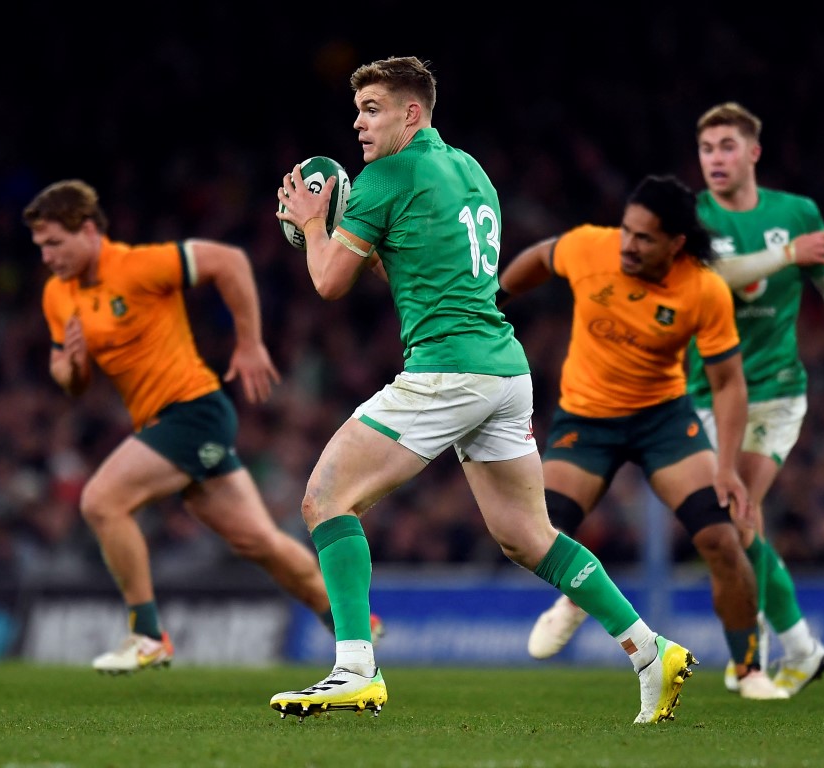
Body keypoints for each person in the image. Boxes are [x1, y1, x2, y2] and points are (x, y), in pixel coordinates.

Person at [269, 56, 696, 725]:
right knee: (529, 535)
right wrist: (361, 237)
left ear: (413, 112)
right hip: (505, 372)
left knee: (326, 498)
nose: (358, 122)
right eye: (357, 109)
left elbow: (327, 283)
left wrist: (313, 221)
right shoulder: (471, 171)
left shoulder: (388, 175)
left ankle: (355, 668)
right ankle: (651, 650)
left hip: (448, 370)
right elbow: (423, 271)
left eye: (373, 108)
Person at [22, 179, 381, 674]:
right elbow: (68, 375)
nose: (47, 255)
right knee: (260, 542)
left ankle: (147, 635)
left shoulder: (136, 265)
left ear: (87, 231)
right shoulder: (57, 297)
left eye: (55, 243)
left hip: (193, 411)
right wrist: (73, 367)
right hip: (168, 424)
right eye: (40, 246)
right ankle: (355, 620)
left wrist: (249, 344)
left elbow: (227, 262)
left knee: (101, 501)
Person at [501, 173, 788, 700]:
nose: (628, 245)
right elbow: (542, 257)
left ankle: (749, 670)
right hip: (586, 421)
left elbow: (728, 383)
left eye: (644, 237)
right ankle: (578, 598)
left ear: (676, 244)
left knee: (721, 539)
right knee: (535, 530)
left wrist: (726, 467)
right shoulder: (592, 247)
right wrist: (496, 297)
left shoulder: (702, 288)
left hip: (663, 422)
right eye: (627, 231)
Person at [688, 101, 824, 695]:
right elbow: (717, 277)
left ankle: (771, 652)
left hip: (774, 391)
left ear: (753, 153)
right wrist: (787, 255)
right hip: (706, 390)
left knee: (735, 511)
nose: (715, 159)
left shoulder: (796, 213)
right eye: (706, 149)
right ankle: (800, 650)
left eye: (726, 147)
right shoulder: (692, 215)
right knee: (739, 526)